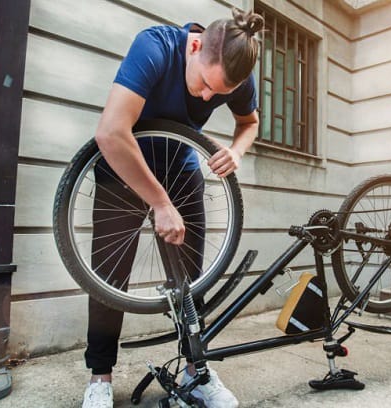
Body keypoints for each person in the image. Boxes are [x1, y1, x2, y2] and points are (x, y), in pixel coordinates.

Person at [81, 8, 264, 408]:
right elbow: (111, 132)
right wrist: (159, 203)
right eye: (204, 85)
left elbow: (249, 122)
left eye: (218, 94)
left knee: (190, 281)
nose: (206, 98)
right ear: (194, 46)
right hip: (124, 167)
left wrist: (236, 150)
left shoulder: (234, 77)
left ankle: (196, 372)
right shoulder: (155, 48)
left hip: (179, 167)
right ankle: (100, 378)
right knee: (110, 277)